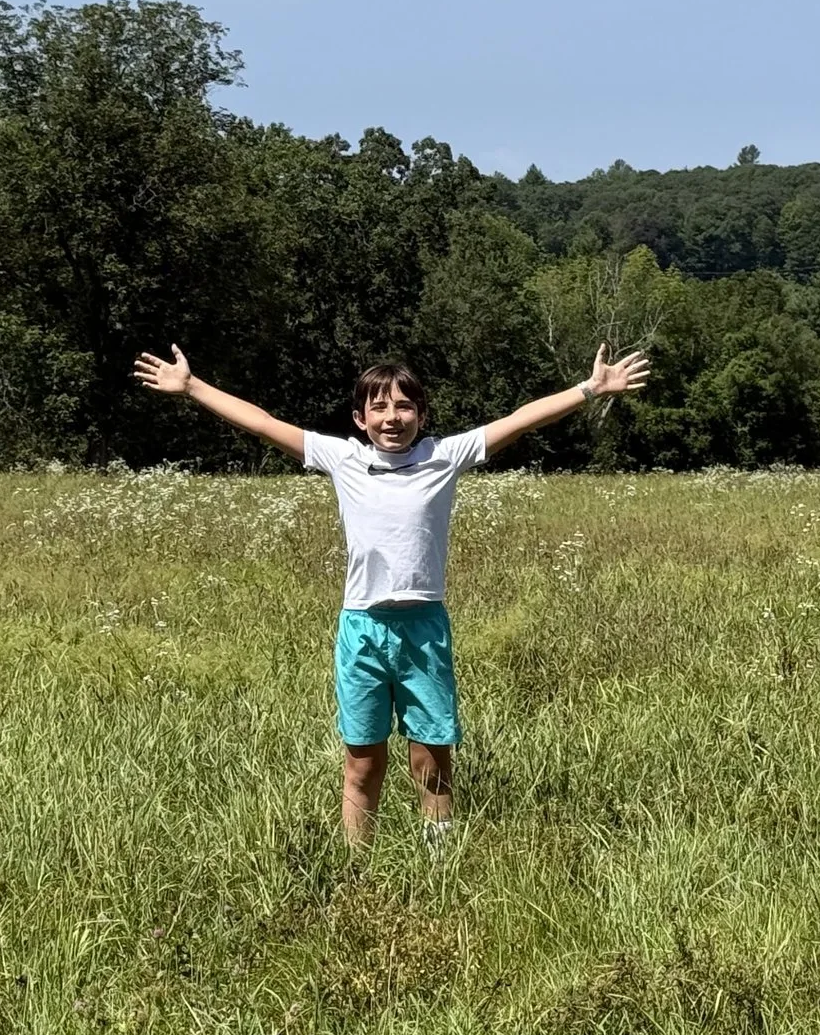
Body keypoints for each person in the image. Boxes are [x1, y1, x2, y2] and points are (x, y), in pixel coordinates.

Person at [130, 343, 651, 845]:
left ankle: (438, 861)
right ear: (360, 419)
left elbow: (521, 419)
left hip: (424, 630)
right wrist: (193, 386)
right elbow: (264, 423)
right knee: (362, 761)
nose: (392, 417)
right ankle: (357, 864)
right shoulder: (343, 459)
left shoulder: (445, 456)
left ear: (421, 415)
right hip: (361, 630)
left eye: (404, 406)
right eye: (378, 407)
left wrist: (590, 388)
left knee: (432, 758)